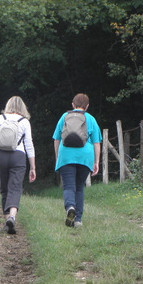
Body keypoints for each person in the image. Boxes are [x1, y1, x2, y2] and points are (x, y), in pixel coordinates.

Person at [0, 96, 36, 234]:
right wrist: (33, 167)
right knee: (15, 188)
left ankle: (7, 219)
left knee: (4, 188)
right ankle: (13, 216)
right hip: (18, 156)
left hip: (0, 155)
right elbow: (29, 145)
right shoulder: (24, 122)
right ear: (23, 107)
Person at [52, 93, 102, 228]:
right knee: (79, 187)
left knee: (68, 186)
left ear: (73, 105)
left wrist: (58, 156)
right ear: (87, 106)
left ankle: (70, 208)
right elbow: (97, 143)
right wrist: (96, 161)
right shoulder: (91, 119)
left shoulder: (64, 117)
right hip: (85, 157)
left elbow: (56, 139)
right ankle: (78, 220)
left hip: (66, 156)